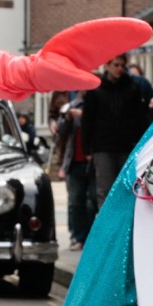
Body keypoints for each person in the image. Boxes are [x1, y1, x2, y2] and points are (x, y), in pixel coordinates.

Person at [79, 54, 153, 210]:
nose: (119, 69)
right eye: (115, 65)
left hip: (127, 145)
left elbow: (140, 117)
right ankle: (106, 226)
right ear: (107, 66)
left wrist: (141, 144)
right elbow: (87, 120)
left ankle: (125, 225)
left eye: (122, 65)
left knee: (127, 187)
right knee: (105, 189)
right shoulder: (96, 89)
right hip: (103, 146)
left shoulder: (132, 87)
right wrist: (87, 148)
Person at [54, 92, 95, 248]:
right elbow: (61, 133)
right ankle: (79, 237)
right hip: (74, 161)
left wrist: (84, 116)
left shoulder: (96, 104)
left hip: (93, 161)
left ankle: (88, 236)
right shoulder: (71, 106)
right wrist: (67, 119)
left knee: (92, 201)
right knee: (76, 201)